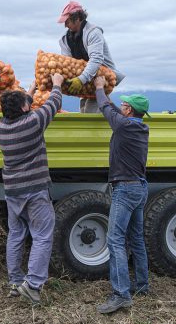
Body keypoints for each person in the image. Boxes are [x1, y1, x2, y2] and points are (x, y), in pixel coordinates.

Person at [0, 73, 63, 305]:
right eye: (28, 103)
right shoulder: (34, 122)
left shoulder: (3, 126)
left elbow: (22, 104)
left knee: (16, 235)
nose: (31, 104)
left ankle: (15, 282)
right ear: (25, 109)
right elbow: (54, 104)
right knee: (43, 236)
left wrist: (32, 88)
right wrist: (56, 84)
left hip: (13, 191)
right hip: (34, 190)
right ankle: (33, 285)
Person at [93, 76, 150, 314]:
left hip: (126, 189)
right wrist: (111, 101)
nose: (122, 107)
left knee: (115, 240)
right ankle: (142, 285)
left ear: (129, 110)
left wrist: (98, 89)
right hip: (139, 187)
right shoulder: (137, 126)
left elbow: (107, 108)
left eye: (125, 105)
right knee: (136, 238)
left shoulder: (125, 126)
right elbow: (115, 112)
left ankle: (121, 294)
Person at [57, 0, 125, 113]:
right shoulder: (65, 39)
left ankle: (116, 119)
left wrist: (81, 79)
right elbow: (67, 63)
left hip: (102, 77)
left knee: (91, 112)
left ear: (77, 18)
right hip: (85, 80)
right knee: (84, 109)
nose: (65, 25)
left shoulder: (93, 33)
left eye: (67, 21)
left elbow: (96, 59)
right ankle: (115, 115)